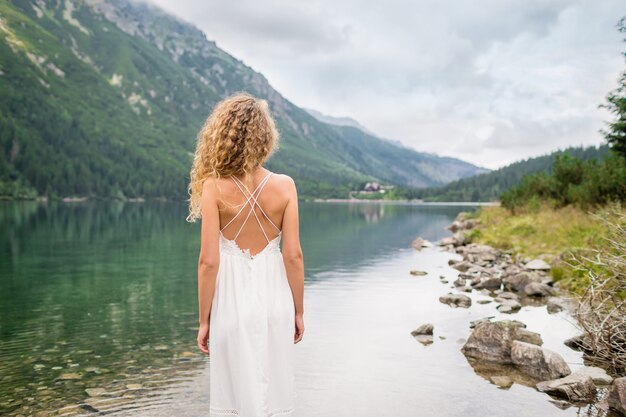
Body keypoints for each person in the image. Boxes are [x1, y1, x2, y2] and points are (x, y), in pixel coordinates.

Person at [185, 92, 305, 417]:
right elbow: (292, 256)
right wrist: (298, 312)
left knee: (234, 400)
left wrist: (203, 321)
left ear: (223, 135)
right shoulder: (286, 186)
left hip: (231, 305)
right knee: (273, 395)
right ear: (265, 136)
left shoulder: (213, 187)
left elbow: (209, 262)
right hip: (275, 302)